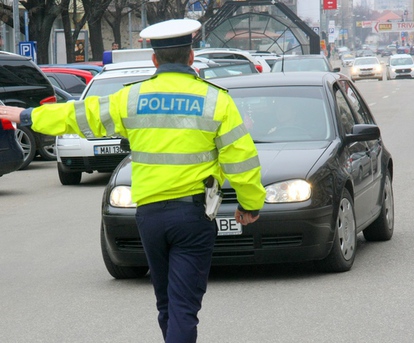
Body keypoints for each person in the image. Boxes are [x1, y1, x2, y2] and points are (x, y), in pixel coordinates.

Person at [0, 18, 266, 343]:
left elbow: (80, 115)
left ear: (154, 60)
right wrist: (249, 205)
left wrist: (27, 116)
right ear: (191, 57)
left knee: (167, 303)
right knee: (183, 306)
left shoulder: (131, 99)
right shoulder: (216, 100)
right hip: (193, 218)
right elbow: (242, 160)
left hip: (150, 217)